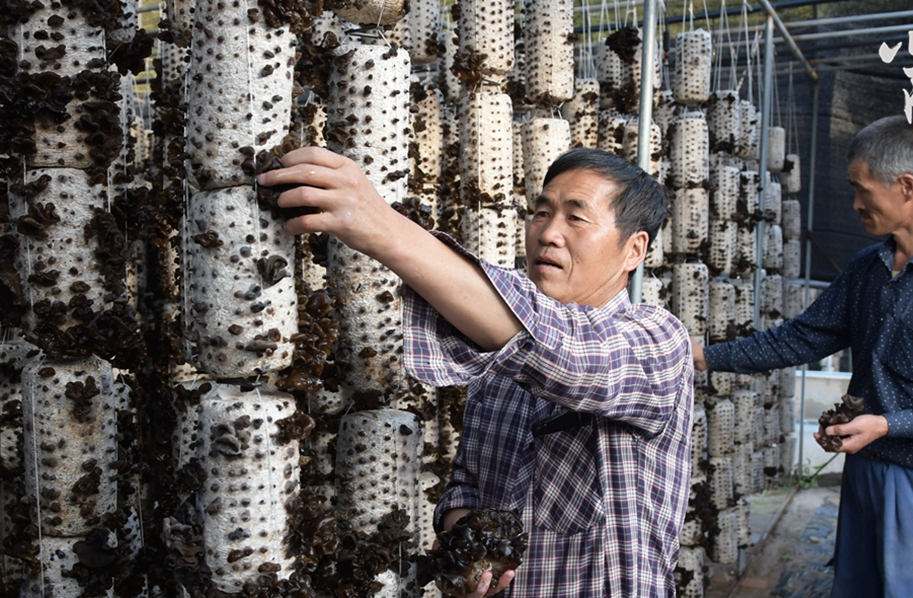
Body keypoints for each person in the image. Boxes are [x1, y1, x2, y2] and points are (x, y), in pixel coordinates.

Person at [260, 147, 695, 597]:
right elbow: (470, 482)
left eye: (576, 218)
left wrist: (382, 227)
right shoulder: (496, 367)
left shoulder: (658, 341)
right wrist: (466, 542)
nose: (549, 234)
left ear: (633, 250)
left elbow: (562, 352)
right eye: (541, 213)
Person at [693, 115, 913, 598]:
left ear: (906, 186)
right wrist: (705, 356)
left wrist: (888, 424)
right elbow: (802, 337)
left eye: (861, 190)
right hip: (866, 471)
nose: (854, 204)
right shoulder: (869, 267)